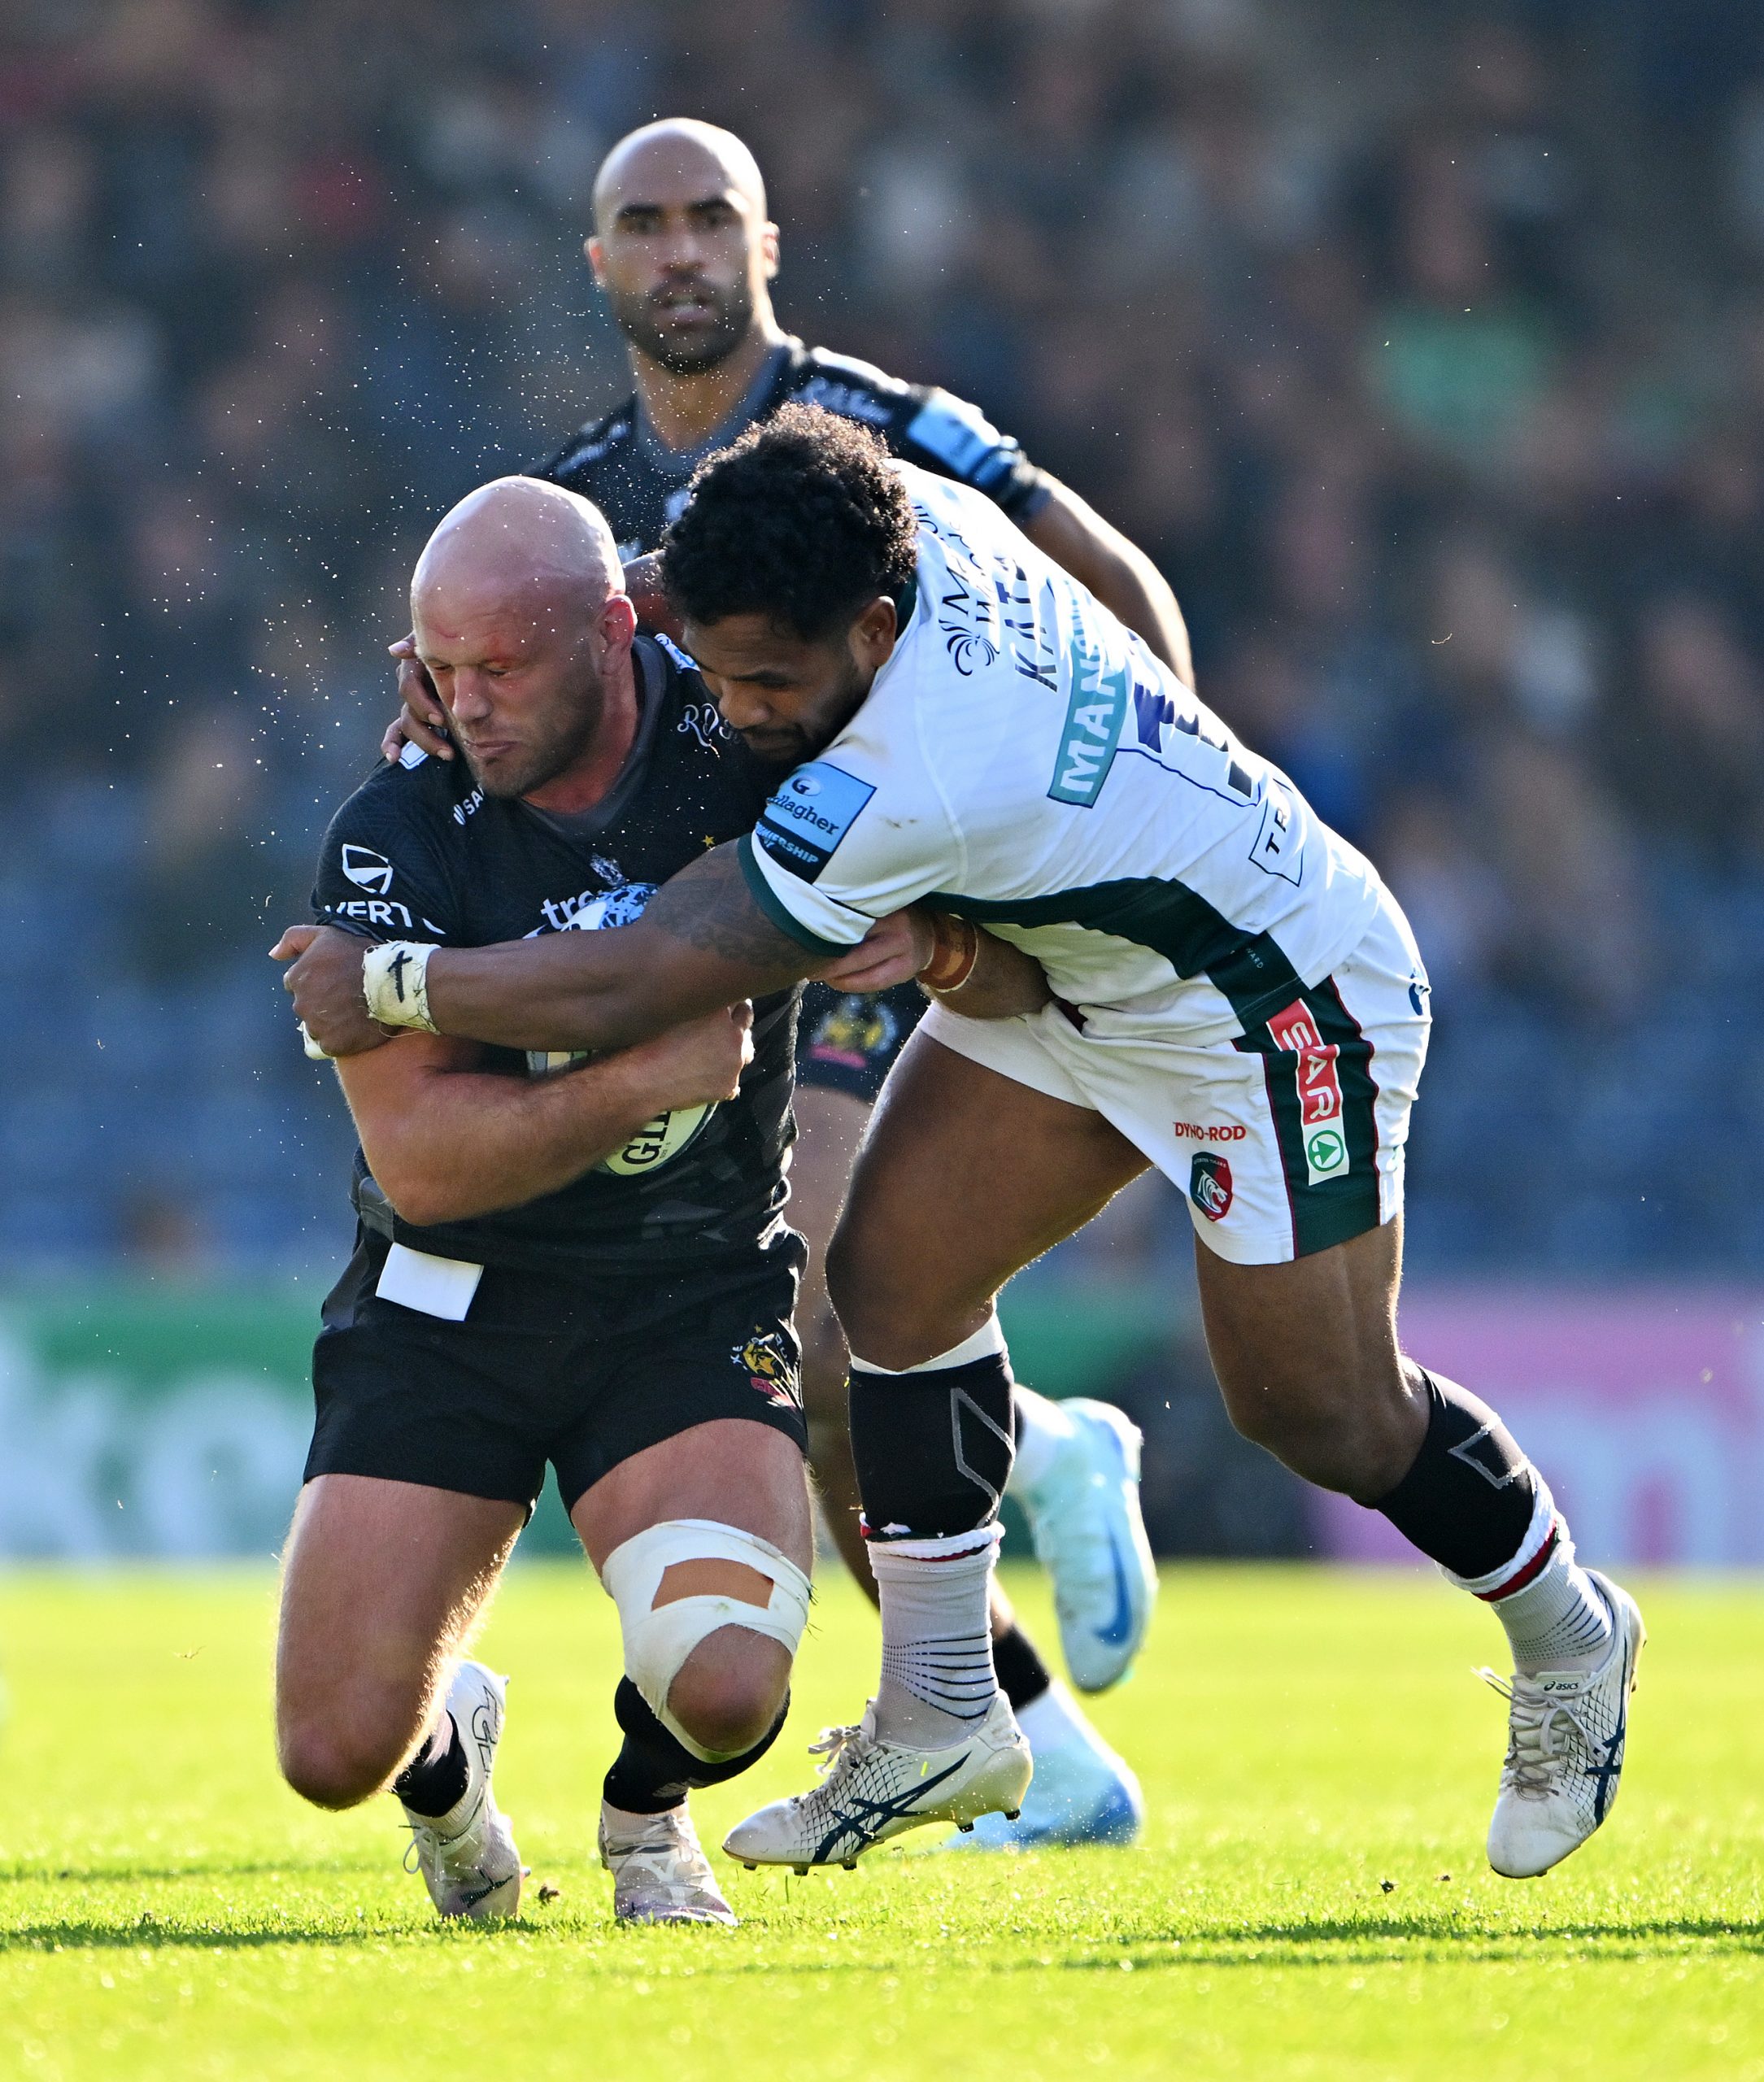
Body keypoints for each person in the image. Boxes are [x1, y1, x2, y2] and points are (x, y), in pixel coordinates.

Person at [282, 405, 1645, 1885]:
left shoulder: (898, 779)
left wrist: (393, 983)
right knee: (887, 1280)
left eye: (767, 685)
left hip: (1270, 1001)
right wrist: (508, 655)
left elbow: (645, 969)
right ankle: (942, 1708)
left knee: (1320, 1414)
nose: (731, 711)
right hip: (1080, 959)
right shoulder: (901, 521)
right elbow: (674, 586)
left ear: (870, 637)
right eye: (720, 671)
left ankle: (1571, 1639)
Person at [391, 114, 1173, 1847]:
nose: (675, 251)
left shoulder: (882, 433)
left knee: (824, 1293)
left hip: (909, 911)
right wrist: (458, 705)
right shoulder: (579, 496)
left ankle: (1025, 1515)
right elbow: (542, 709)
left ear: (765, 244)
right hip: (743, 925)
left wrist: (1138, 839)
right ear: (595, 261)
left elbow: (1116, 593)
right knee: (794, 1354)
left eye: (706, 219)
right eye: (640, 224)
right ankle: (1036, 1660)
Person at [271, 473, 1004, 1927]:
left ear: (615, 631)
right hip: (447, 1305)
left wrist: (934, 926)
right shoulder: (394, 827)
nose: (463, 706)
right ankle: (447, 1764)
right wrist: (639, 1079)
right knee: (330, 1753)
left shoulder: (743, 732)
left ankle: (641, 1812)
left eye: (502, 667)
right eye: (439, 669)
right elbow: (420, 1160)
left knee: (730, 1690)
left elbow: (924, 674)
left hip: (689, 1289)